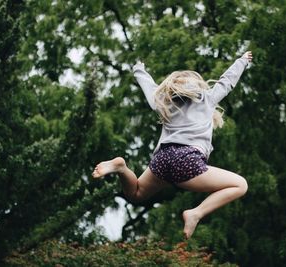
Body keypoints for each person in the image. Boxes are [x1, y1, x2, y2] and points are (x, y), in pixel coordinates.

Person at [92, 51, 253, 239]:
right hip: (187, 159)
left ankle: (121, 167)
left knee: (135, 194)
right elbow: (227, 82)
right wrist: (241, 61)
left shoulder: (163, 102)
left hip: (162, 159)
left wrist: (138, 69)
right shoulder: (206, 98)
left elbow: (149, 87)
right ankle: (196, 213)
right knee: (240, 185)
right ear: (197, 86)